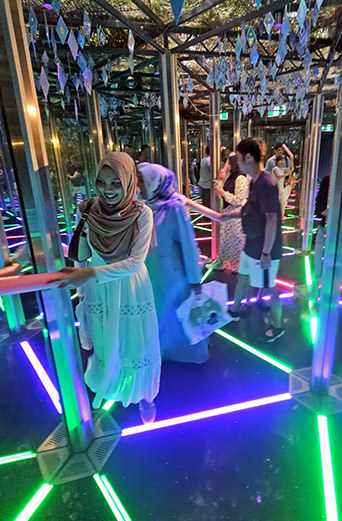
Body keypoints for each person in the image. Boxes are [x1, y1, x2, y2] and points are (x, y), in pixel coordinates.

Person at [60, 152, 161, 423]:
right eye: (102, 182)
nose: (107, 190)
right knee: (106, 342)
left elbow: (133, 262)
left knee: (135, 344)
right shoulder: (90, 210)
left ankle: (144, 396)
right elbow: (81, 253)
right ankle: (108, 385)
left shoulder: (142, 214)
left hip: (129, 287)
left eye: (116, 183)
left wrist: (88, 274)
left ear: (129, 182)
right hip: (97, 288)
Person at [137, 162, 209, 364]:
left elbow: (188, 244)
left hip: (173, 277)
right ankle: (162, 352)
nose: (139, 185)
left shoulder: (174, 209)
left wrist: (195, 279)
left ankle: (188, 355)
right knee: (159, 317)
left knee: (178, 318)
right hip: (151, 275)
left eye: (142, 180)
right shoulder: (143, 208)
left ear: (153, 183)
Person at [226, 138, 284, 342]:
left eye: (239, 158)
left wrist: (267, 252)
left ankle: (277, 326)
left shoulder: (267, 183)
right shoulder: (255, 181)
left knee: (269, 287)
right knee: (243, 277)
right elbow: (253, 210)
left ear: (249, 157)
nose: (237, 163)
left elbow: (271, 220)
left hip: (264, 248)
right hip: (252, 244)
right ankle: (235, 309)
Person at [213, 152, 249, 273]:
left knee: (236, 242)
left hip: (236, 216)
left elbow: (239, 199)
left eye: (229, 163)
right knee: (228, 241)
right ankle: (230, 264)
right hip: (229, 214)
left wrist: (222, 192)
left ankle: (237, 266)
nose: (226, 165)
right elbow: (224, 196)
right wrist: (220, 188)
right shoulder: (231, 177)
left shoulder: (241, 178)